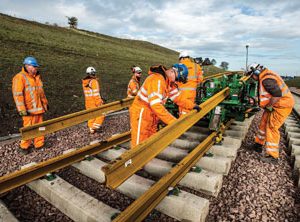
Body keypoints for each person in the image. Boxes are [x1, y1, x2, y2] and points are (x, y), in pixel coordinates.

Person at [129, 64, 200, 148]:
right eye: (177, 79)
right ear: (173, 72)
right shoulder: (157, 80)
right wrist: (173, 122)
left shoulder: (168, 83)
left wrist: (192, 106)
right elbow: (156, 105)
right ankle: (135, 161)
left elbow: (178, 98)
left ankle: (144, 160)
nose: (176, 82)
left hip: (152, 115)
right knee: (138, 146)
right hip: (142, 113)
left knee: (149, 143)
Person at [248, 63, 294, 163]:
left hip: (282, 106)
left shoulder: (266, 79)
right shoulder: (266, 75)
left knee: (272, 127)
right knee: (264, 122)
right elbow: (268, 94)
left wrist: (268, 105)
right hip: (276, 105)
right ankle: (258, 144)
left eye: (252, 75)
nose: (252, 78)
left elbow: (277, 95)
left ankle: (273, 156)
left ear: (256, 72)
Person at [12, 56, 49, 154]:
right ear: (27, 66)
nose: (36, 68)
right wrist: (21, 109)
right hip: (29, 111)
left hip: (39, 109)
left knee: (40, 128)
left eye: (36, 67)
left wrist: (45, 104)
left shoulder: (37, 77)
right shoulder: (20, 77)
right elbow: (17, 95)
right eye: (34, 67)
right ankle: (24, 147)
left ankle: (39, 144)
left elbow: (41, 93)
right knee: (28, 129)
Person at [177, 51, 203, 116]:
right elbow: (200, 79)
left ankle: (183, 125)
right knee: (190, 108)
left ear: (182, 58)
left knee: (183, 111)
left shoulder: (178, 66)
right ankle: (187, 123)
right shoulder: (196, 66)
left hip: (181, 93)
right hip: (192, 93)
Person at [82, 66, 105, 133]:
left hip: (88, 102)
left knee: (91, 116)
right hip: (94, 102)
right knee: (101, 114)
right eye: (93, 73)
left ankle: (91, 129)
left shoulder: (84, 83)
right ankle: (95, 127)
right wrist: (99, 102)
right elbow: (96, 94)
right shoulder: (94, 82)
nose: (94, 74)